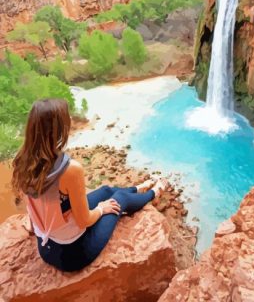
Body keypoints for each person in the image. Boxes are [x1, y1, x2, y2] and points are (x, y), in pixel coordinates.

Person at [11, 98, 168, 272]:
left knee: (106, 190)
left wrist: (34, 228)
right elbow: (84, 220)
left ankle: (137, 189)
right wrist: (101, 209)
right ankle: (155, 191)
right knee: (118, 199)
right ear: (58, 129)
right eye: (67, 117)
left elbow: (33, 205)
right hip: (73, 253)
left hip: (46, 247)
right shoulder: (70, 170)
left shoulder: (22, 160)